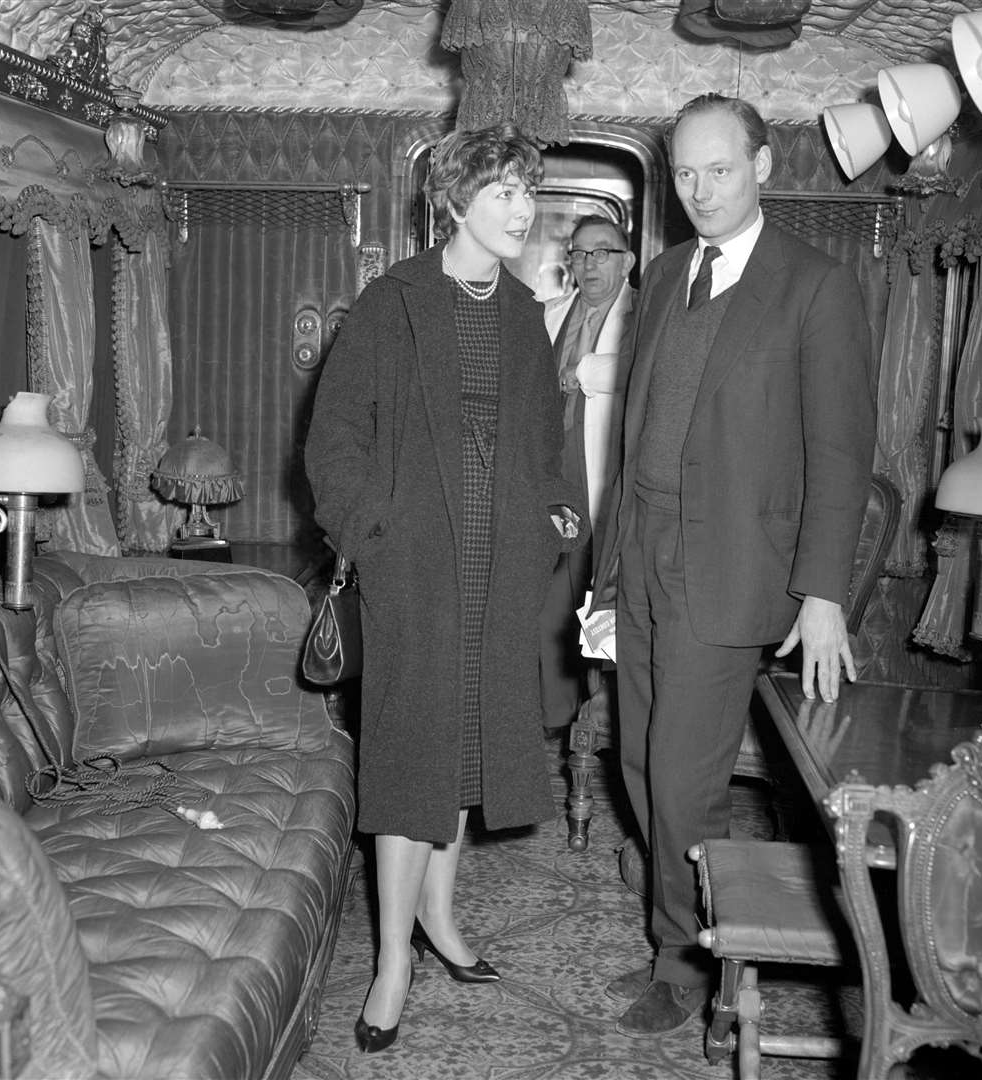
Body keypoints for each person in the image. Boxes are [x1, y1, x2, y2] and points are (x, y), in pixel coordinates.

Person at [590, 94, 876, 1037]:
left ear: (763, 166)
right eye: (684, 173)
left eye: (720, 169)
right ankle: (694, 885)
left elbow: (840, 451)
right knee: (633, 759)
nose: (701, 190)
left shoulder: (815, 286)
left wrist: (824, 592)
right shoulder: (664, 275)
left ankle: (685, 962)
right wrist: (606, 577)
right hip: (644, 553)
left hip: (732, 568)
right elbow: (632, 442)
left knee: (679, 777)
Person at [304, 123, 585, 1054]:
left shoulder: (522, 313)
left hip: (499, 570)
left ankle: (441, 922)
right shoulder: (394, 303)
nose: (522, 210)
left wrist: (553, 514)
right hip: (415, 568)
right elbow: (332, 438)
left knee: (463, 754)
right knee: (408, 761)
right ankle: (391, 961)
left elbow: (548, 438)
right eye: (503, 192)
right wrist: (368, 533)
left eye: (526, 192)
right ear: (455, 202)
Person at [539, 214, 636, 733]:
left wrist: (579, 373)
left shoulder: (646, 312)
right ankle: (553, 715)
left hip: (606, 474)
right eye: (579, 254)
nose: (590, 263)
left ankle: (600, 715)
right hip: (551, 475)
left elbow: (636, 369)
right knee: (553, 595)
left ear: (627, 261)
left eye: (603, 252)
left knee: (602, 598)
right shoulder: (550, 314)